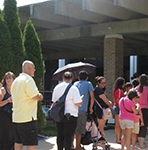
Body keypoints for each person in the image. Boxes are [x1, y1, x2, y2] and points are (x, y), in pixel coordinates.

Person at [11, 60, 43, 150]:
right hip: (28, 117)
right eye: (34, 68)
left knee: (18, 142)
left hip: (16, 117)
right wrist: (40, 96)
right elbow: (34, 96)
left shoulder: (16, 80)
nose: (35, 70)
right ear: (29, 68)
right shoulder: (28, 80)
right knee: (31, 143)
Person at [52, 71, 82, 150]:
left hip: (59, 115)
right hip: (71, 115)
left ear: (63, 78)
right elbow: (77, 103)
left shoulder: (57, 87)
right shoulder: (73, 88)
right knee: (68, 136)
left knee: (60, 135)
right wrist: (81, 100)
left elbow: (54, 101)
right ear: (72, 79)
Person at [73, 70, 94, 150]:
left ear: (78, 78)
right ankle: (77, 147)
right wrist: (91, 108)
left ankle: (73, 144)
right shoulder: (88, 84)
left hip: (73, 109)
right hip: (82, 109)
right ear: (87, 78)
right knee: (80, 129)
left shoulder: (75, 84)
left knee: (73, 128)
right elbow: (92, 97)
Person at [0, 71, 15, 150]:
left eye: (10, 78)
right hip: (4, 115)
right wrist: (7, 101)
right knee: (5, 135)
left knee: (13, 136)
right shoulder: (3, 90)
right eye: (7, 79)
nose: (8, 80)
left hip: (13, 115)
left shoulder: (15, 89)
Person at [135, 74, 148, 148]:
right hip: (145, 109)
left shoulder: (136, 89)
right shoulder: (147, 89)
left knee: (138, 125)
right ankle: (141, 143)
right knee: (144, 125)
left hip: (137, 109)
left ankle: (137, 141)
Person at [112, 77, 125, 144]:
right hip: (118, 107)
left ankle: (118, 138)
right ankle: (118, 139)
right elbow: (118, 100)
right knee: (118, 125)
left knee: (117, 124)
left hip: (115, 107)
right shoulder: (119, 91)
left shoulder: (115, 90)